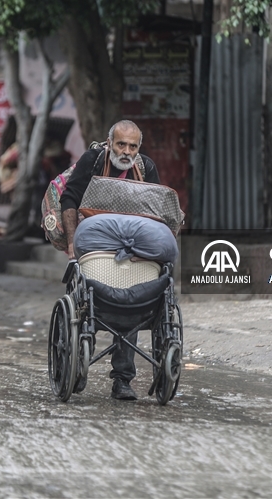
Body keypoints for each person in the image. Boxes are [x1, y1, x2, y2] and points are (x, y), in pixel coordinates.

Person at [60, 119, 160, 401]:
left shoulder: (146, 168)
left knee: (133, 307)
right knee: (86, 307)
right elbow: (69, 200)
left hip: (133, 249)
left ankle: (122, 379)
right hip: (95, 248)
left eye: (133, 146)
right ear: (109, 143)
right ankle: (78, 366)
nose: (126, 151)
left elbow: (156, 210)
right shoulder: (92, 161)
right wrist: (71, 246)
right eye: (121, 144)